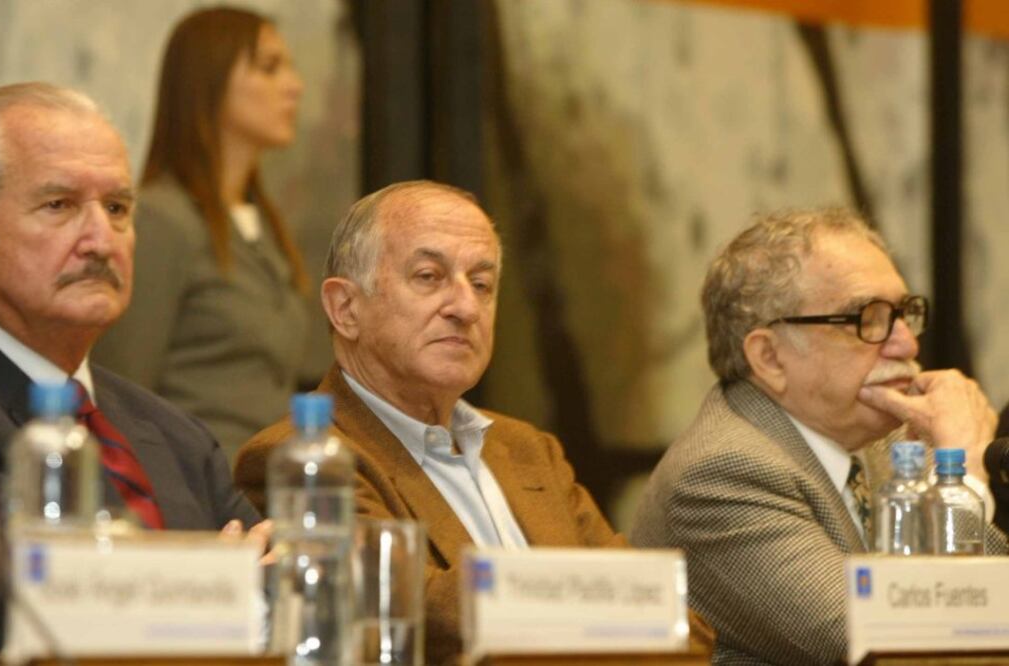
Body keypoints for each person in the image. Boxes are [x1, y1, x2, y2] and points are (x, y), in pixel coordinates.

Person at [234, 181, 689, 665]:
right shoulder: (301, 456)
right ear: (346, 309)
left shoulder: (530, 449)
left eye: (482, 284)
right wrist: (600, 608)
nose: (467, 308)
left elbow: (670, 614)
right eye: (429, 277)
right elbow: (409, 610)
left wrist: (617, 607)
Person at [630, 208, 1008, 666]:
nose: (907, 345)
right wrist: (959, 473)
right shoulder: (721, 473)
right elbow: (888, 640)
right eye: (867, 318)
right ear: (770, 358)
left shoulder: (887, 438)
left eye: (904, 313)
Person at [0, 82, 264, 533]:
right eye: (59, 205)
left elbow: (273, 569)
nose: (102, 242)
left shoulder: (179, 437)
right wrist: (213, 573)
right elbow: (10, 579)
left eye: (117, 208)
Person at [94, 7, 309, 465]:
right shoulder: (160, 219)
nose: (295, 85)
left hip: (268, 483)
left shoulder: (263, 223)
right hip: (192, 486)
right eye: (270, 67)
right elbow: (120, 391)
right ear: (207, 81)